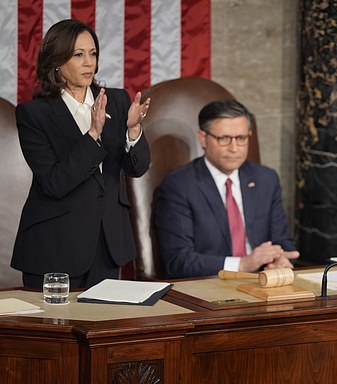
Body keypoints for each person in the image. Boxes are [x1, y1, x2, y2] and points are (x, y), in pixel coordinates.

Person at [11, 19, 151, 289]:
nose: (89, 62)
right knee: (56, 328)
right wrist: (93, 135)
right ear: (56, 62)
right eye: (78, 55)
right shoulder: (33, 114)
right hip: (55, 246)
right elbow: (54, 182)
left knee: (104, 326)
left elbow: (137, 168)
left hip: (109, 242)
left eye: (93, 53)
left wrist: (134, 130)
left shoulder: (118, 100)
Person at [154, 99, 299, 279]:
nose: (234, 148)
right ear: (203, 138)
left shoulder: (266, 179)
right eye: (223, 139)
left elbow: (283, 242)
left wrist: (280, 260)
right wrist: (243, 264)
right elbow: (179, 262)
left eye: (241, 138)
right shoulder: (179, 186)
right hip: (208, 289)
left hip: (262, 284)